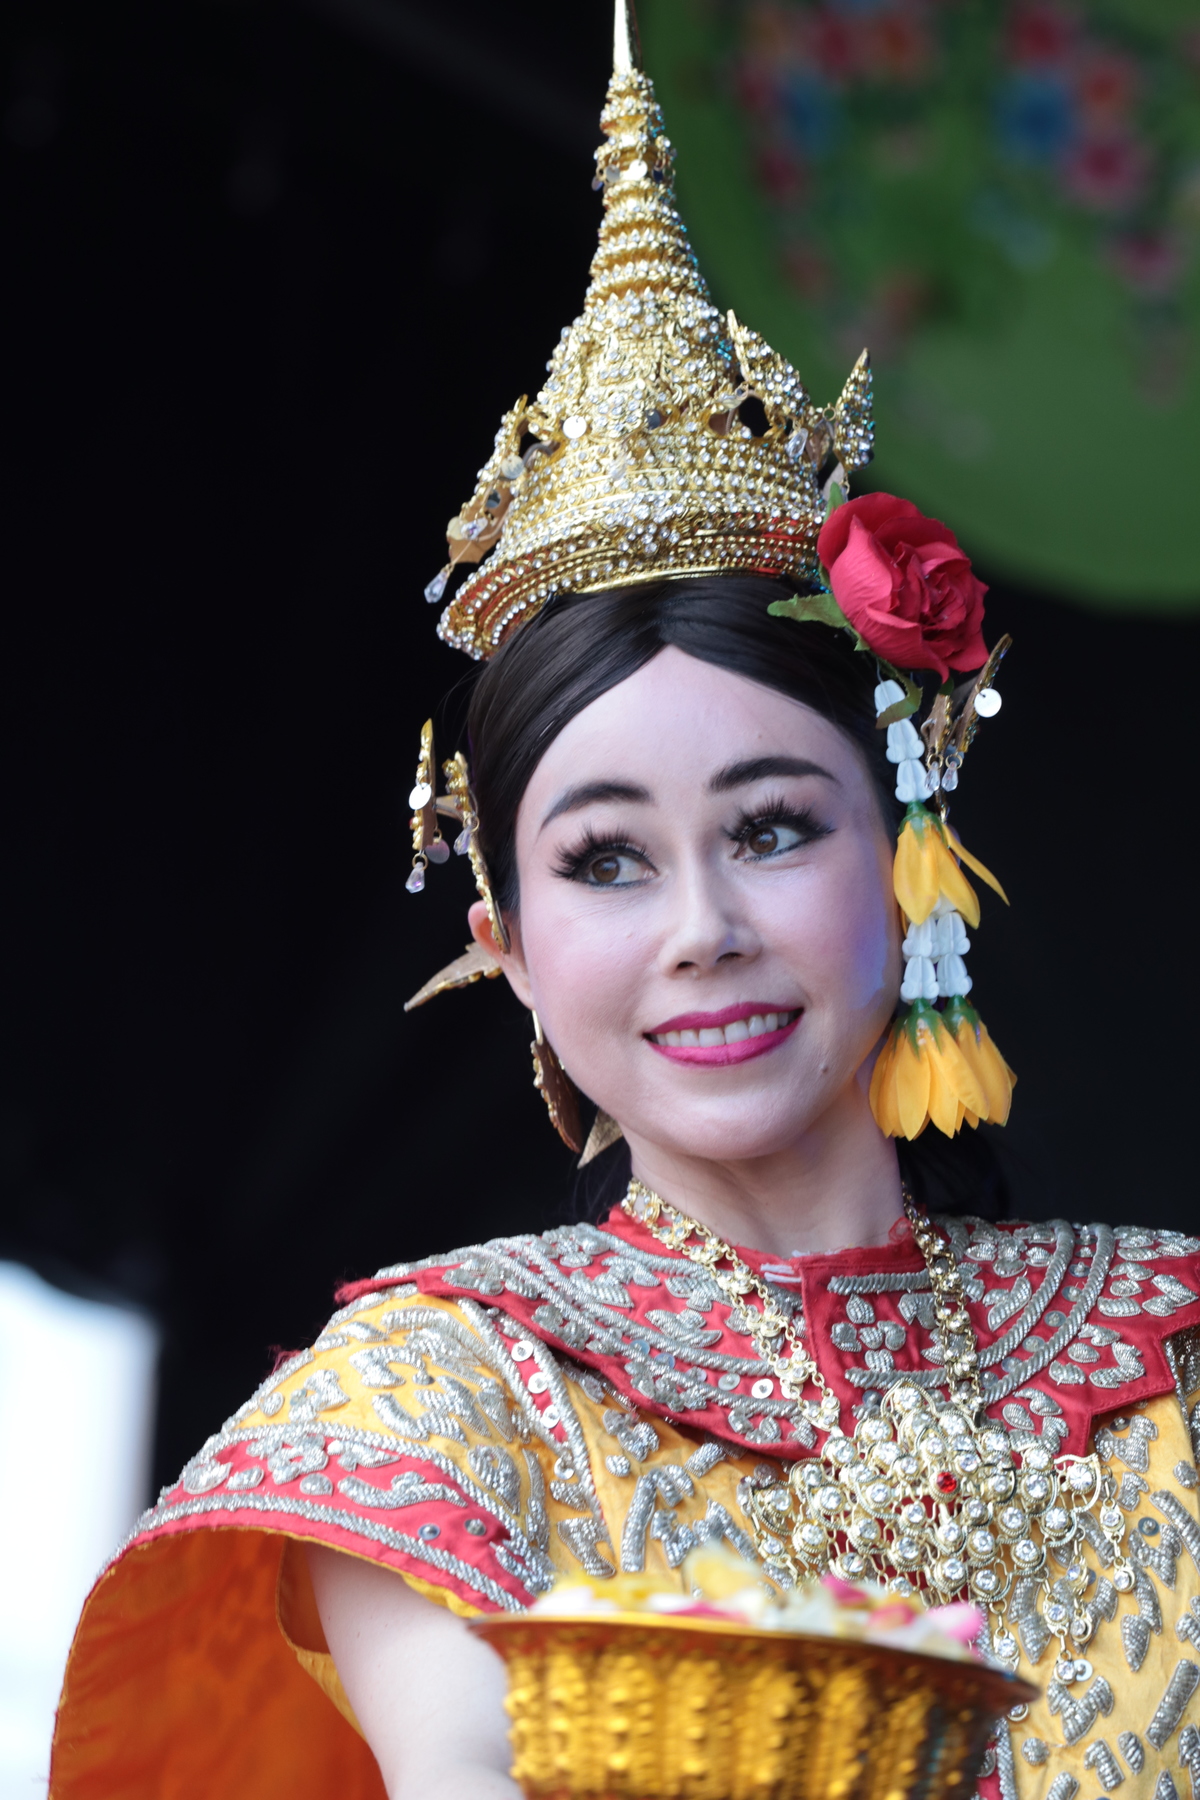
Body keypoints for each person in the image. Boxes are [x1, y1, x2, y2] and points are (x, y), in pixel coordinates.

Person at [51, 8, 1200, 1800]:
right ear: (503, 943)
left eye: (773, 829)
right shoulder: (435, 1403)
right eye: (604, 860)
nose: (699, 926)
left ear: (912, 850)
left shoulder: (1175, 1355)